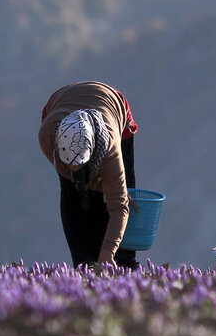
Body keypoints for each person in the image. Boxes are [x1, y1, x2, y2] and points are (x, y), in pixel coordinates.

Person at [39, 81, 140, 267]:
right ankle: (83, 262)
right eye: (71, 164)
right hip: (60, 101)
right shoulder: (46, 136)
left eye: (80, 163)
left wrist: (108, 252)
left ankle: (124, 261)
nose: (75, 168)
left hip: (112, 104)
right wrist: (91, 185)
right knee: (72, 191)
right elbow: (70, 174)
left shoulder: (111, 151)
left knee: (125, 194)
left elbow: (119, 208)